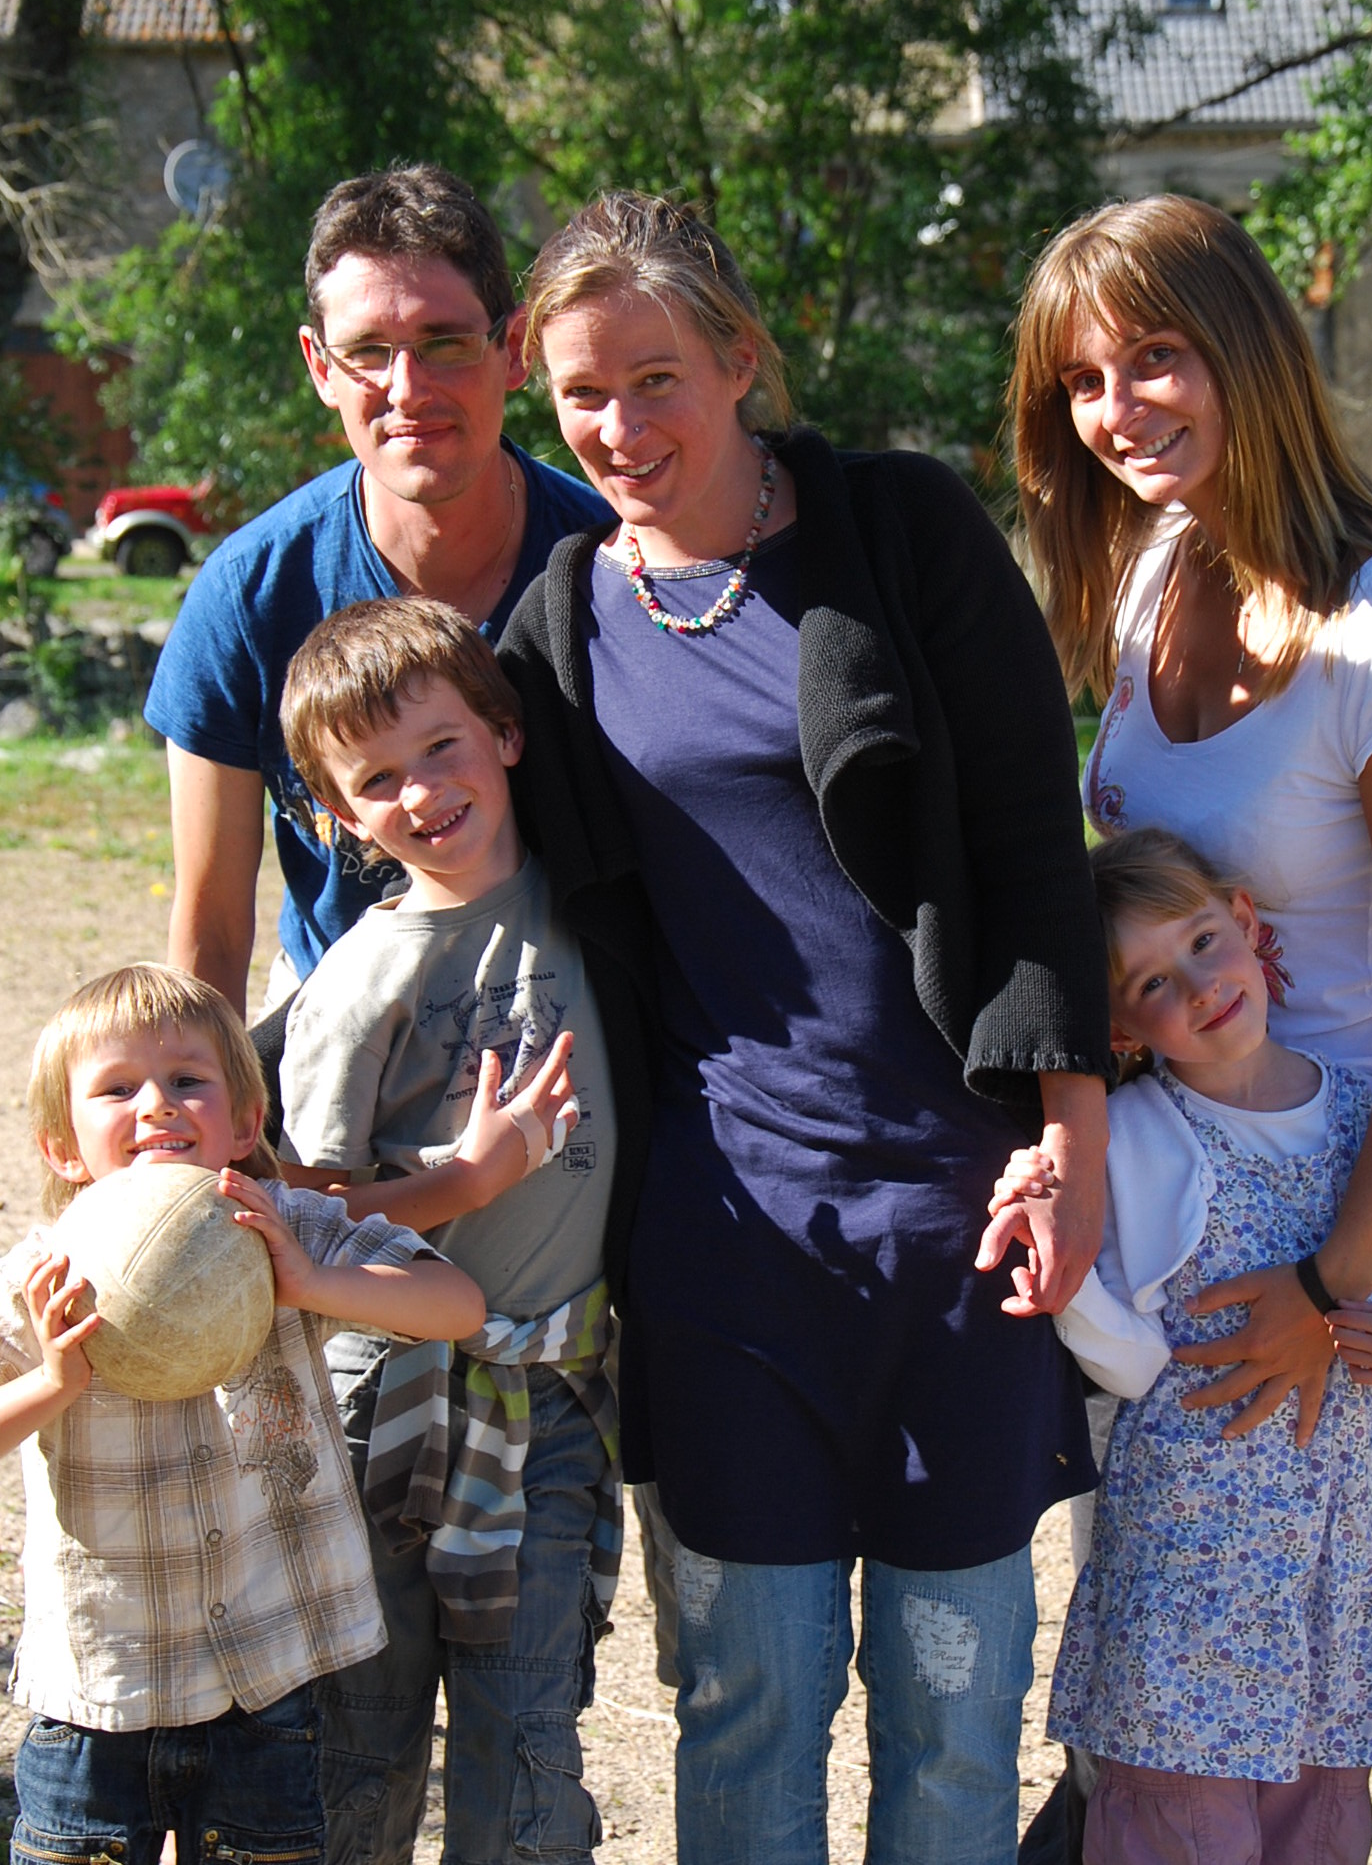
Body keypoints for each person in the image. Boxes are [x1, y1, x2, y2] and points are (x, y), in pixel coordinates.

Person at [498, 190, 1113, 1865]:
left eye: (656, 378)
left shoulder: (898, 535)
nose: (621, 426)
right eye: (581, 394)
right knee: (751, 1709)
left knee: (953, 1722)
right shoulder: (560, 627)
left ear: (741, 360)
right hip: (727, 1249)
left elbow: (1031, 843)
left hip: (963, 1227)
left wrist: (1072, 1142)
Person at [1008, 192, 1372, 1855]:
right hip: (1203, 1213)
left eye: (1156, 357)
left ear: (1248, 347)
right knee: (1179, 1731)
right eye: (1083, 383)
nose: (1118, 410)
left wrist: (1334, 1286)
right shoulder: (1154, 573)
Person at [992, 828, 1372, 1864]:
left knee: (1314, 1832)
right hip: (1187, 1582)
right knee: (1181, 1833)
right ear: (1119, 1027)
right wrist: (1061, 1282)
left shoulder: (1366, 1116)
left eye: (1202, 942)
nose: (1199, 987)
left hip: (1326, 1580)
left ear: (1246, 921)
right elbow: (1131, 1364)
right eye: (1152, 981)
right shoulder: (1141, 1137)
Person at [276, 596, 623, 1865]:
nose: (420, 793)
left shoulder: (598, 906)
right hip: (387, 1406)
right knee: (362, 1744)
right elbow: (301, 1221)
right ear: (336, 813)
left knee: (524, 1739)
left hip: (552, 1398)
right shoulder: (360, 982)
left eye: (441, 748)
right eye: (375, 780)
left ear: (507, 734)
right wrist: (462, 1185)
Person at [6, 962, 485, 1865]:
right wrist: (55, 1381)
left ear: (244, 1123)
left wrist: (309, 1283)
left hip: (265, 1692)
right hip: (100, 1700)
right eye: (117, 1089)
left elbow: (457, 1305)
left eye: (188, 1079)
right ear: (63, 1146)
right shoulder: (47, 1276)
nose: (157, 1104)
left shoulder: (287, 1229)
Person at [143, 163, 605, 1018]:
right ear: (320, 366)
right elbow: (210, 932)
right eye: (366, 353)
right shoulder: (249, 596)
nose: (406, 390)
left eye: (444, 342)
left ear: (513, 349)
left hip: (578, 1010)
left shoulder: (609, 564)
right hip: (337, 1017)